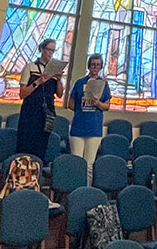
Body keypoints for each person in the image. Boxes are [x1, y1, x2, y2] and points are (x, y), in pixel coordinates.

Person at [16, 38, 65, 161]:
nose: (50, 53)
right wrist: (38, 82)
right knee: (26, 143)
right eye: (48, 50)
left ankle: (37, 172)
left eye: (53, 51)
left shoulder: (53, 70)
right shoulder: (30, 67)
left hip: (47, 111)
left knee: (42, 144)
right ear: (42, 49)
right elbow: (22, 94)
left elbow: (59, 94)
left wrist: (58, 79)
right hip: (30, 110)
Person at [68, 53, 112, 183]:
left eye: (98, 65)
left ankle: (86, 190)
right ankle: (74, 188)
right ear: (89, 66)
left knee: (89, 163)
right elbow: (70, 103)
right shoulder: (80, 82)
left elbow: (107, 106)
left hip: (94, 127)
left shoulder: (104, 84)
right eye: (93, 64)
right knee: (76, 161)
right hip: (78, 126)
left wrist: (97, 103)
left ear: (101, 67)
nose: (95, 67)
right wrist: (82, 103)